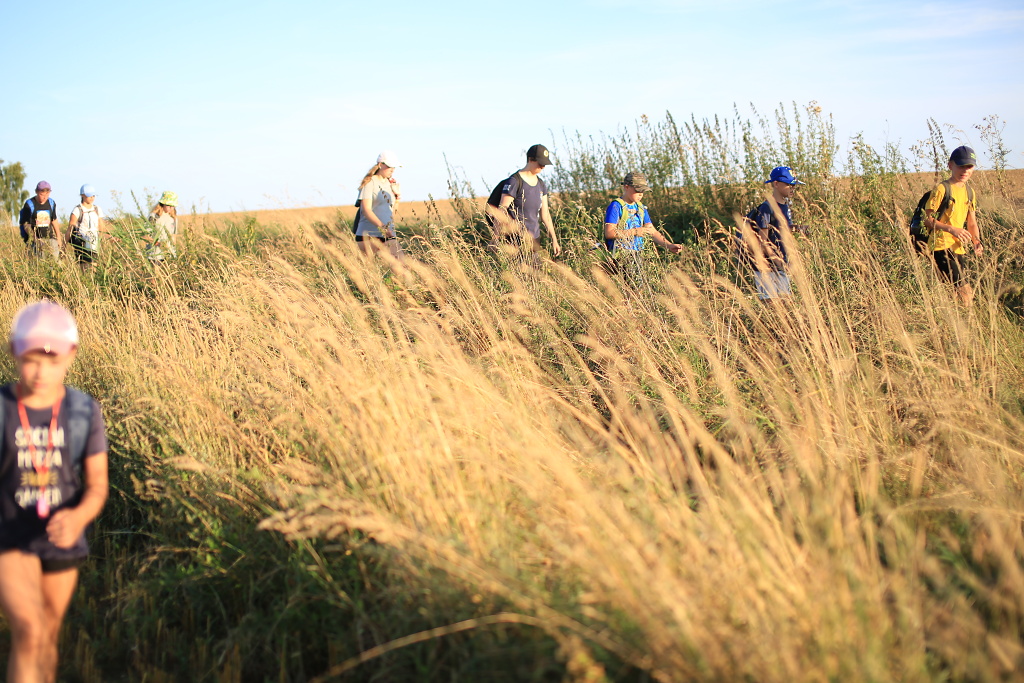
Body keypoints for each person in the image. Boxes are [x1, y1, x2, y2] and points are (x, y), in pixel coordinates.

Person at [0, 301, 108, 682]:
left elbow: (97, 486)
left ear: (70, 355)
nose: (41, 371)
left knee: (47, 635)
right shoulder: (2, 410)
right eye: (31, 359)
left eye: (52, 360)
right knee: (29, 629)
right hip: (10, 537)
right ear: (14, 352)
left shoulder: (82, 412)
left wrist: (78, 516)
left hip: (62, 538)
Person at [737, 166, 808, 300]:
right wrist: (778, 262)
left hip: (781, 265)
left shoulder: (785, 207)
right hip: (767, 267)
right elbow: (762, 241)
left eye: (794, 185)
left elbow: (780, 228)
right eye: (788, 184)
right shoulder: (766, 208)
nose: (793, 188)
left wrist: (799, 228)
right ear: (776, 184)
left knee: (785, 303)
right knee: (770, 304)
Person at [924, 145, 982, 305]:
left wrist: (976, 241)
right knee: (966, 292)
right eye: (961, 166)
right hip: (941, 246)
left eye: (969, 166)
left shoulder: (970, 192)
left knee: (954, 293)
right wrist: (951, 229)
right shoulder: (942, 189)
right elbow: (927, 220)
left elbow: (972, 222)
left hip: (958, 248)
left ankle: (954, 324)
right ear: (950, 165)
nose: (965, 170)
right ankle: (970, 325)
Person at [485, 144, 562, 261]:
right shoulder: (514, 182)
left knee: (535, 277)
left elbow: (545, 215)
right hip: (514, 241)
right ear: (530, 160)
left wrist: (554, 240)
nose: (543, 167)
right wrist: (495, 237)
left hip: (534, 242)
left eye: (545, 164)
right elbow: (501, 210)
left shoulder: (541, 184)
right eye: (540, 164)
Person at [602, 172, 682, 282]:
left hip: (637, 253)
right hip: (621, 254)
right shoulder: (616, 206)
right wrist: (635, 231)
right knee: (634, 287)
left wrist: (669, 245)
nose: (641, 194)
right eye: (637, 190)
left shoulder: (640, 207)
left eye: (643, 191)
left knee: (637, 286)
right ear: (626, 187)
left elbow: (651, 231)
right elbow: (609, 233)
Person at [353, 151, 403, 259]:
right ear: (380, 165)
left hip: (388, 233)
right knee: (371, 271)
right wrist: (383, 227)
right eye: (390, 166)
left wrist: (397, 197)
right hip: (369, 234)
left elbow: (391, 213)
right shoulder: (370, 182)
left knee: (400, 266)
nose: (392, 169)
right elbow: (366, 210)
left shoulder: (390, 184)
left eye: (394, 167)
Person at [18, 182, 63, 260]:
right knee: (38, 264)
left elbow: (54, 220)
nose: (45, 197)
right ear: (36, 192)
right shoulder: (29, 204)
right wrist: (35, 239)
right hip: (35, 241)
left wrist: (58, 237)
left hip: (50, 238)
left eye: (47, 194)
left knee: (55, 263)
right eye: (42, 194)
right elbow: (26, 224)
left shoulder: (51, 203)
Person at [66, 185, 105, 273]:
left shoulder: (97, 209)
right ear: (82, 195)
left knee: (94, 268)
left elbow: (101, 225)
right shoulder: (77, 210)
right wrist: (64, 245)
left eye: (93, 195)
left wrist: (102, 239)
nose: (92, 198)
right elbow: (70, 228)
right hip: (82, 243)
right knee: (85, 270)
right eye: (89, 195)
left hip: (94, 243)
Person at [147, 191, 178, 263]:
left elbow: (173, 236)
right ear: (162, 204)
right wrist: (157, 243)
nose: (171, 208)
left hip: (169, 254)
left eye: (173, 206)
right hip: (155, 254)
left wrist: (172, 248)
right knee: (157, 273)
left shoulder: (173, 218)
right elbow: (146, 235)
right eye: (168, 205)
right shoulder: (153, 216)